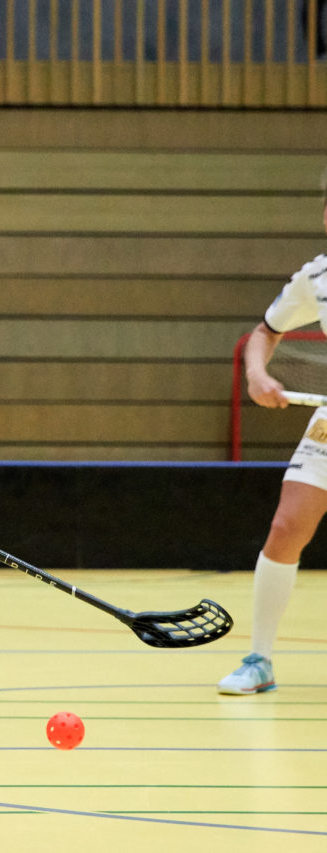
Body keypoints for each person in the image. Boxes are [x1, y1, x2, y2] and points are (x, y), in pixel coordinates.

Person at [218, 172, 327, 695]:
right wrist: (257, 374)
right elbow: (266, 332)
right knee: (286, 528)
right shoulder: (318, 276)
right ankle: (259, 660)